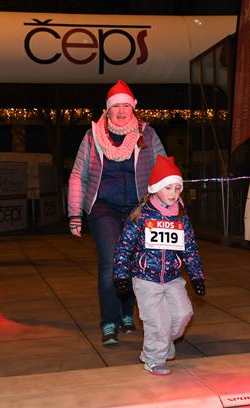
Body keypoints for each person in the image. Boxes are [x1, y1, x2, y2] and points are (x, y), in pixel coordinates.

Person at [67, 80, 166, 345]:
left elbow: (163, 170)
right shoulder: (92, 136)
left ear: (133, 107)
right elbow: (78, 175)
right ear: (107, 109)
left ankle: (126, 314)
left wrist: (169, 204)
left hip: (138, 208)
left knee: (134, 263)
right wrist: (75, 214)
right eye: (115, 106)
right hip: (103, 207)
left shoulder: (148, 135)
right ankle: (109, 321)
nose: (121, 111)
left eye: (125, 106)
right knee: (111, 263)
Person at [113, 155, 205, 376]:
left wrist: (197, 276)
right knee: (157, 322)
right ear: (155, 188)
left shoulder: (180, 217)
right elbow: (124, 247)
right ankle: (153, 359)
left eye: (177, 188)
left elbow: (190, 248)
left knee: (183, 314)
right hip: (146, 280)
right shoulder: (141, 216)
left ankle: (162, 343)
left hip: (173, 278)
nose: (174, 193)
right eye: (168, 188)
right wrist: (121, 275)